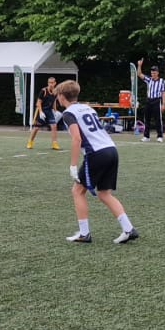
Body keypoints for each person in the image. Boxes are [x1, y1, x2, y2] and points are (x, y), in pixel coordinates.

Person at [54, 80, 138, 244]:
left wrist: (72, 165)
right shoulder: (88, 108)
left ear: (62, 96)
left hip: (97, 153)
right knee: (104, 193)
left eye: (58, 95)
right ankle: (128, 228)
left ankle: (84, 233)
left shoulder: (68, 114)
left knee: (78, 191)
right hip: (111, 150)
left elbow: (77, 138)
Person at [26, 76, 62, 150]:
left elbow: (54, 101)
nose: (50, 84)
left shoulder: (55, 92)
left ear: (55, 83)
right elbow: (38, 102)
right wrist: (41, 112)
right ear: (48, 83)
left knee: (54, 126)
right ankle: (30, 142)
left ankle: (54, 143)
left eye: (52, 83)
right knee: (36, 128)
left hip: (49, 111)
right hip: (41, 110)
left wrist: (55, 110)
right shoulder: (43, 91)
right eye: (49, 82)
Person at [135, 59, 165, 141]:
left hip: (157, 100)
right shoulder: (149, 79)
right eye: (152, 73)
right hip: (149, 100)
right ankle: (146, 136)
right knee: (147, 119)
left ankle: (159, 136)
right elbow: (139, 74)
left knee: (158, 119)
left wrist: (163, 104)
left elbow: (163, 93)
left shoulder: (162, 81)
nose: (153, 74)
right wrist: (139, 65)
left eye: (154, 73)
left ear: (157, 73)